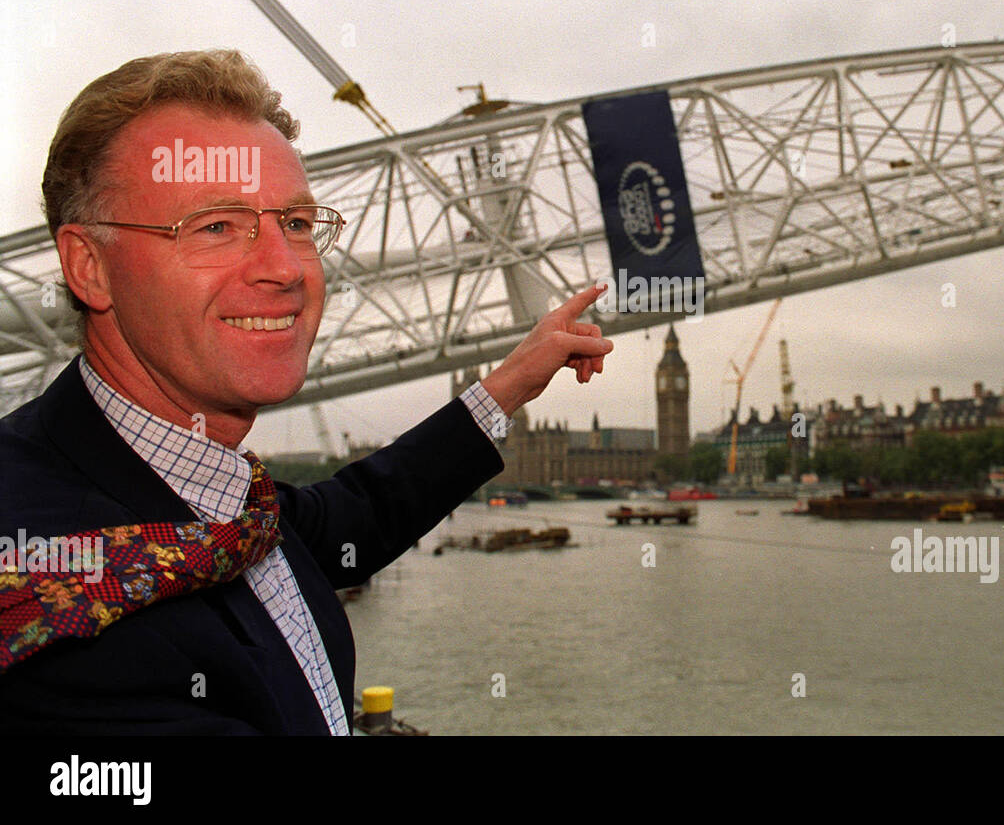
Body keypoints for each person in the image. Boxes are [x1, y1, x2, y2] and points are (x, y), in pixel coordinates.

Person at [0, 49, 613, 734]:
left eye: (295, 224)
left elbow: (354, 516)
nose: (284, 268)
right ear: (89, 266)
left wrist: (508, 383)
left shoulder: (222, 511)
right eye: (215, 227)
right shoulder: (48, 592)